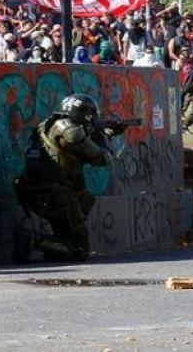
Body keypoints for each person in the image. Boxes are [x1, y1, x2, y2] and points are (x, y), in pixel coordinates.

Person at [14, 94, 120, 262]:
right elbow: (101, 158)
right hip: (53, 192)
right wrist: (103, 136)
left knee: (85, 200)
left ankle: (55, 248)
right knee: (80, 249)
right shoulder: (70, 130)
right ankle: (37, 242)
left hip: (43, 189)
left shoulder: (50, 124)